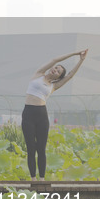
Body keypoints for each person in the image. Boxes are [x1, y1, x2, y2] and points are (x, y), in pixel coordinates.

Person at [22, 49, 88, 181]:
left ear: (58, 77)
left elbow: (70, 76)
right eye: (56, 68)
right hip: (28, 114)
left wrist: (81, 60)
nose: (55, 70)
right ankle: (33, 178)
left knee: (41, 148)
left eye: (58, 72)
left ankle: (41, 179)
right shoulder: (39, 74)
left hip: (42, 116)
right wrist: (74, 53)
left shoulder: (54, 86)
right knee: (31, 147)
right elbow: (54, 60)